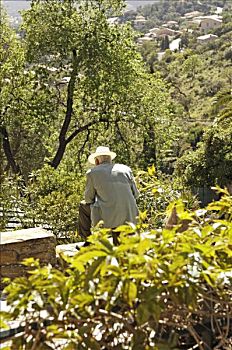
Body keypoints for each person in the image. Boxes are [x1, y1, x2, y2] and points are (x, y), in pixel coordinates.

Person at [78, 146, 139, 243]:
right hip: (130, 215)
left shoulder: (92, 173)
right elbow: (135, 194)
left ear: (97, 161)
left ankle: (89, 241)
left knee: (83, 206)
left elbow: (88, 199)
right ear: (110, 159)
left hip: (108, 216)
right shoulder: (126, 169)